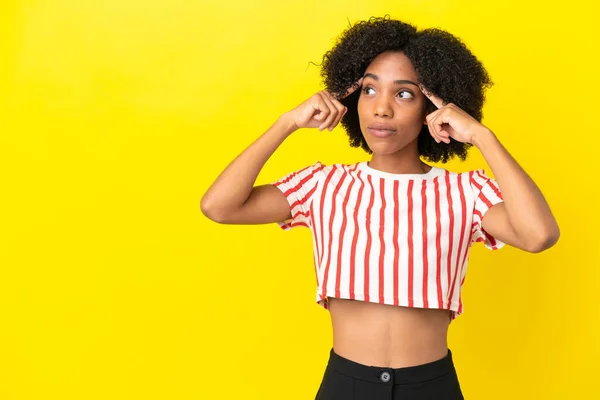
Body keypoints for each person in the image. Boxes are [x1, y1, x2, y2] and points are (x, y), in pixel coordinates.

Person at [200, 15, 560, 400]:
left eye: (404, 94)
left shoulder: (465, 191)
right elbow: (219, 207)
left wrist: (481, 136)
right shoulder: (323, 185)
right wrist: (286, 122)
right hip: (345, 385)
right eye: (369, 91)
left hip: (431, 387)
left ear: (433, 107)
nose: (381, 109)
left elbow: (539, 235)